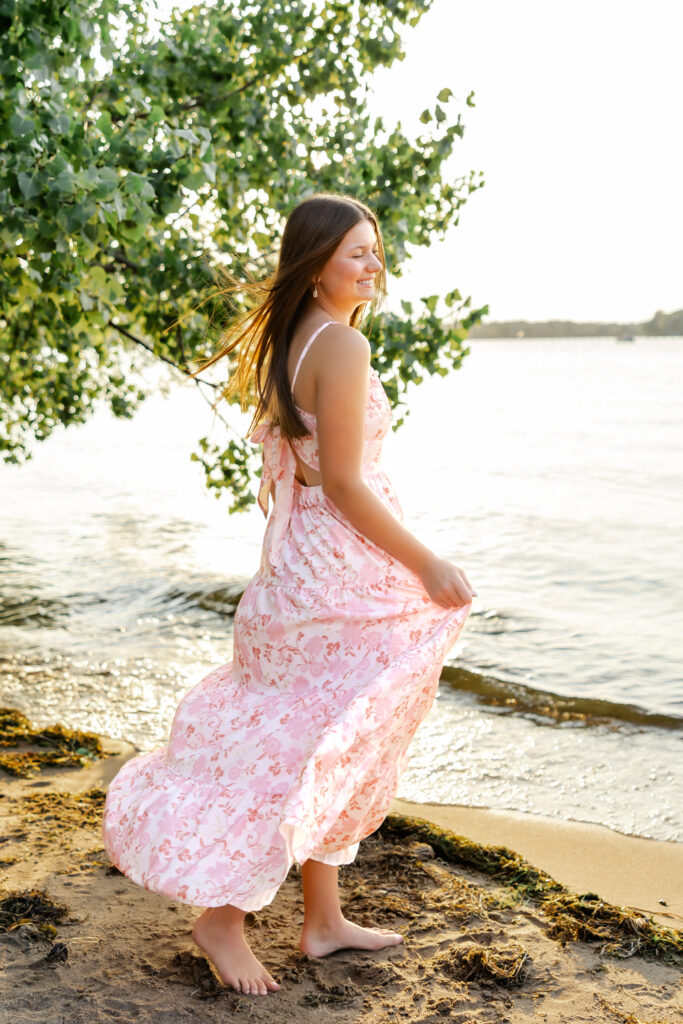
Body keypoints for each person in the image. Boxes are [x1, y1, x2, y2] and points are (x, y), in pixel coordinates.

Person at [102, 192, 476, 997]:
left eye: (376, 249)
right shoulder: (338, 344)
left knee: (328, 734)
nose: (373, 263)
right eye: (356, 252)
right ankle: (222, 919)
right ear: (315, 266)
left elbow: (308, 469)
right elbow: (341, 480)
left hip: (299, 572)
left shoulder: (297, 337)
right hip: (337, 574)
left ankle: (322, 919)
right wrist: (427, 562)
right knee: (315, 739)